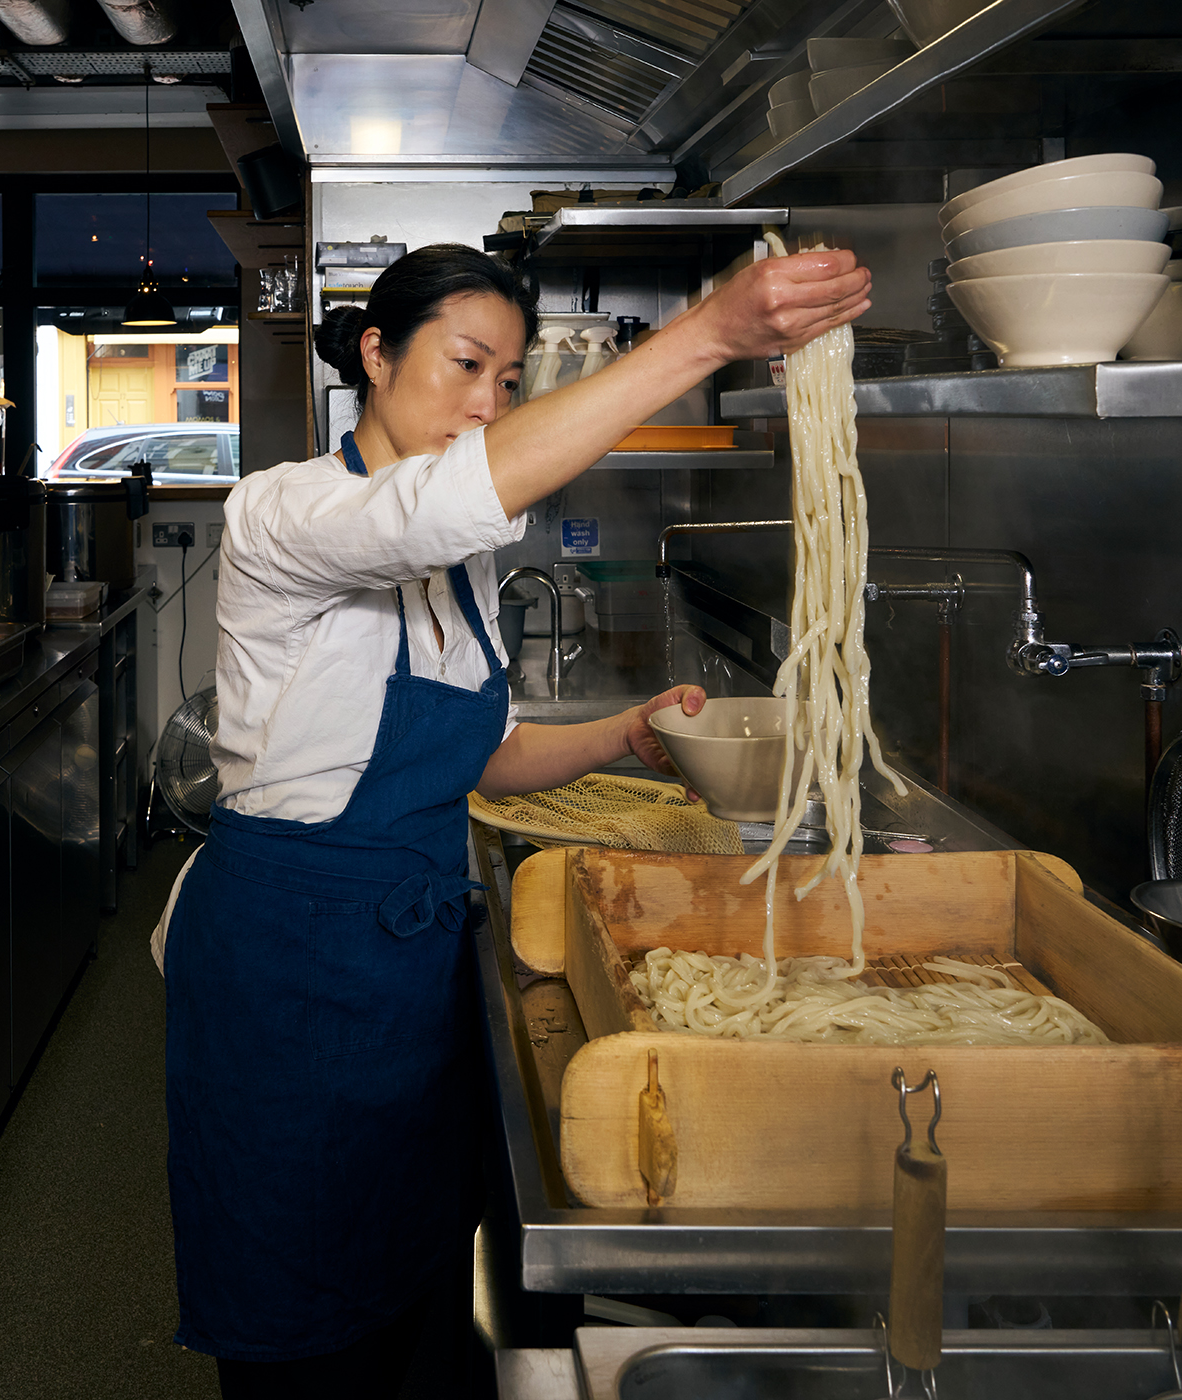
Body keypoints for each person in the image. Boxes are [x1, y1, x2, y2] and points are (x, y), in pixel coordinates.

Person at [158, 241, 872, 1397]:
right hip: (292, 972)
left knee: (420, 1291)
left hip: (412, 960)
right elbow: (443, 503)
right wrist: (708, 332)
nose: (488, 400)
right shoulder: (284, 512)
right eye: (465, 364)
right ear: (377, 355)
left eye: (510, 378)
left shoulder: (466, 566)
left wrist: (625, 737)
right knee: (305, 1324)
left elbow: (475, 748)